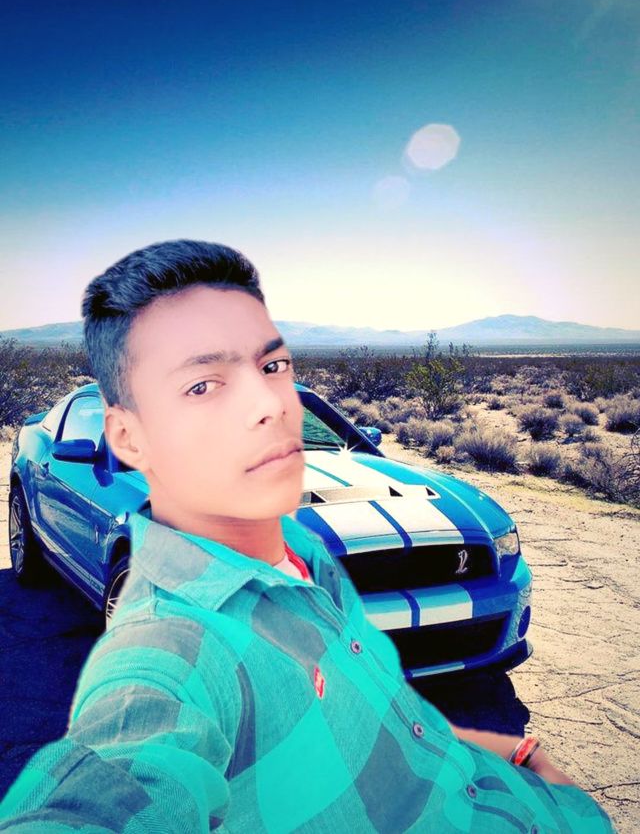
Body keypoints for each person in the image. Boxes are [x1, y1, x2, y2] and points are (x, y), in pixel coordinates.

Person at [0, 240, 614, 833]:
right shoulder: (164, 644)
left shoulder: (316, 543)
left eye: (271, 371)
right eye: (199, 390)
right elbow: (129, 771)